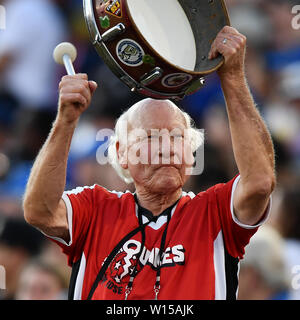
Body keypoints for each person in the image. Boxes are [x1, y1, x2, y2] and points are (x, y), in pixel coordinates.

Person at [23, 26, 276, 300]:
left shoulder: (214, 213)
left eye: (177, 137)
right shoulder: (95, 210)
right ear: (121, 153)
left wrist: (232, 77)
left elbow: (260, 183)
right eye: (152, 138)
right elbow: (40, 211)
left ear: (191, 155)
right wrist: (66, 122)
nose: (166, 148)